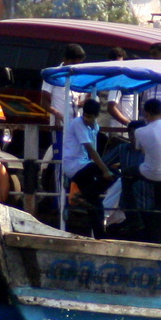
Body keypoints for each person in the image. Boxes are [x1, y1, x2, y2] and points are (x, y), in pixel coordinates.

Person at [60, 98, 118, 234]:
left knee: (95, 204)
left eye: (90, 117)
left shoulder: (94, 127)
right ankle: (81, 195)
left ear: (96, 116)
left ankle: (100, 237)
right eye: (85, 116)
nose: (86, 119)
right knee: (114, 174)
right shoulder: (78, 123)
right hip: (76, 165)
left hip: (83, 164)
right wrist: (105, 171)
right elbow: (91, 149)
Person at [131, 99, 161, 241]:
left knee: (127, 175)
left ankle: (133, 217)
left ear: (146, 113)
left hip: (149, 172)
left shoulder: (140, 131)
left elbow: (138, 150)